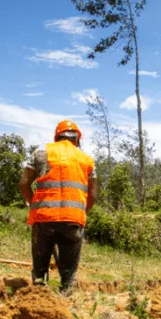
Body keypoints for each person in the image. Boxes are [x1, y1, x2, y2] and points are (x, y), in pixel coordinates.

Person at [19, 120, 97, 292]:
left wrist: (33, 206)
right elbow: (93, 194)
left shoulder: (40, 154)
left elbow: (24, 184)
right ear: (77, 139)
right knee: (69, 277)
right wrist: (80, 213)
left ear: (57, 137)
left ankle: (38, 296)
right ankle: (67, 302)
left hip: (44, 220)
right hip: (73, 222)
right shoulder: (86, 160)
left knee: (39, 273)